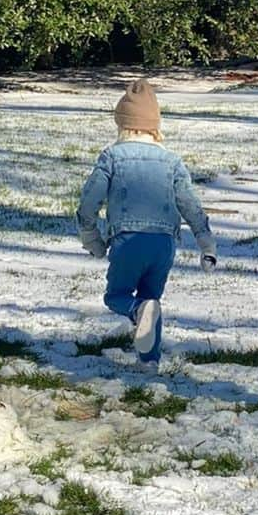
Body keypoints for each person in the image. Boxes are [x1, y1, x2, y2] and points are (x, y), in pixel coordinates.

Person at [76, 80, 216, 365]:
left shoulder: (112, 157)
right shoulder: (172, 161)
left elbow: (89, 203)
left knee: (117, 296)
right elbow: (190, 204)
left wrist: (92, 239)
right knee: (152, 300)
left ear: (122, 124)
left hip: (128, 240)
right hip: (163, 244)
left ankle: (137, 311)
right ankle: (149, 362)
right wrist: (206, 242)